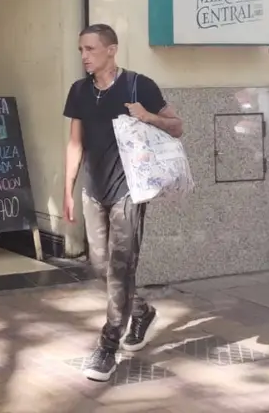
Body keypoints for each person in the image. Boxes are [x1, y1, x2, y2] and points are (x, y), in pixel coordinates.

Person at [62, 24, 184, 382]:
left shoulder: (138, 85)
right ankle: (141, 311)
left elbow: (177, 126)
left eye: (90, 49)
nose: (84, 56)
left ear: (111, 50)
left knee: (120, 268)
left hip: (128, 191)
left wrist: (147, 116)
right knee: (100, 266)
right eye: (81, 49)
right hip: (92, 190)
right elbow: (74, 144)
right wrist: (68, 190)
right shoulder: (79, 91)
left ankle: (107, 347)